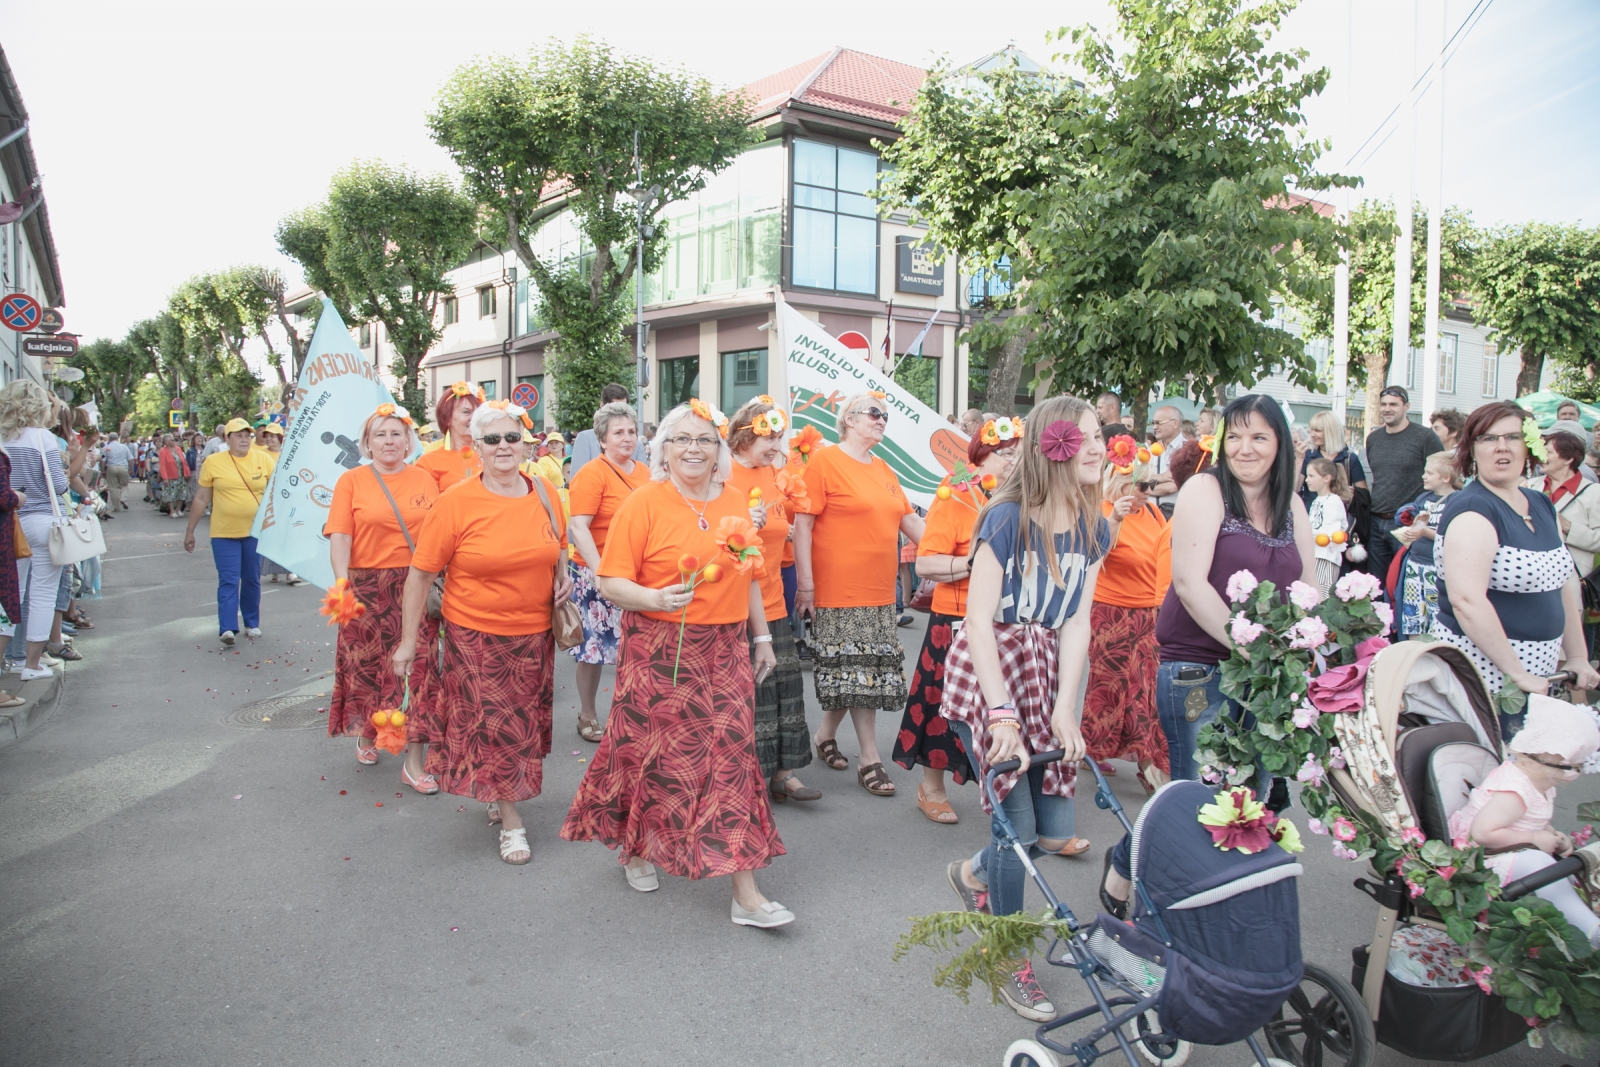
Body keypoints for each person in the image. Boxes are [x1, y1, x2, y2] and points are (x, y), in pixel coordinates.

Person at [561, 399, 791, 927]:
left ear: (719, 451)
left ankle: (746, 893)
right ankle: (639, 847)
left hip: (726, 650)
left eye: (704, 439)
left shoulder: (735, 499)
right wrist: (651, 598)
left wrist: (761, 638)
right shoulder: (643, 503)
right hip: (659, 650)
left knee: (732, 760)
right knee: (655, 756)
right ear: (663, 449)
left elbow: (748, 572)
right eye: (682, 439)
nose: (693, 448)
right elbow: (608, 580)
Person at [941, 395, 1110, 1022]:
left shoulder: (1096, 527)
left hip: (1045, 677)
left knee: (1053, 832)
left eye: (1101, 435)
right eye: (1086, 436)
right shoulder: (1006, 518)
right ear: (1054, 445)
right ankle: (1008, 954)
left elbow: (1077, 627)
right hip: (991, 677)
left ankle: (973, 874)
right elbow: (978, 622)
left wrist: (1068, 709)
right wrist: (1002, 713)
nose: (1098, 447)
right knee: (1013, 829)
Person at [394, 400, 571, 865]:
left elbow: (559, 543)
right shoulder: (455, 502)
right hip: (475, 637)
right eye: (492, 439)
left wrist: (563, 574)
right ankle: (512, 821)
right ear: (476, 446)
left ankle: (496, 789)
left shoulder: (546, 492)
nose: (504, 447)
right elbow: (419, 575)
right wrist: (409, 641)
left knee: (521, 726)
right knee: (497, 726)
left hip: (534, 636)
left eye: (512, 437)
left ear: (525, 443)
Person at [1154, 394, 1317, 782]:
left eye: (1259, 438)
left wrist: (1306, 645)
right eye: (1235, 437)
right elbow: (1189, 583)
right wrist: (1255, 650)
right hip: (1200, 669)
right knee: (1201, 796)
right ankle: (1137, 846)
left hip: (1265, 677)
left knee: (1251, 801)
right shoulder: (1204, 490)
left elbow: (1309, 583)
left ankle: (1137, 846)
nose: (1245, 449)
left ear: (1280, 444)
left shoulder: (1292, 504)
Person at [1432, 401, 1599, 734]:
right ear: (1472, 450)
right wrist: (1517, 672)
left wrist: (1577, 655)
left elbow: (1562, 581)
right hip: (1486, 674)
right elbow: (1467, 601)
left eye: (1512, 437)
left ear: (1530, 446)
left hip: (1540, 672)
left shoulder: (1539, 502)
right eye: (1488, 438)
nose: (1501, 447)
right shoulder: (1472, 509)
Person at [793, 391, 924, 797]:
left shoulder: (884, 467)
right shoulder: (824, 462)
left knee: (853, 670)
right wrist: (806, 584)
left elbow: (912, 524)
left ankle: (824, 735)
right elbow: (802, 527)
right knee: (859, 673)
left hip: (881, 592)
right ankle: (870, 757)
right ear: (849, 419)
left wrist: (967, 543)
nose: (882, 419)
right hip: (838, 590)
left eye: (885, 415)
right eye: (874, 413)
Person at [892, 417, 1022, 823]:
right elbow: (927, 561)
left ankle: (1014, 797)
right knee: (941, 706)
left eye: (1020, 453)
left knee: (1005, 709)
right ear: (981, 457)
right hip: (956, 616)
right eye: (1006, 454)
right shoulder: (957, 497)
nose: (1015, 460)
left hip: (1008, 618)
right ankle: (931, 788)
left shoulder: (1022, 500)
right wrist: (975, 563)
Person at [325, 403, 442, 790]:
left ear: (409, 441)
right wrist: (342, 585)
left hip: (414, 585)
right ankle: (365, 729)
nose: (389, 441)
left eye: (396, 433)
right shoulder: (352, 481)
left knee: (417, 669)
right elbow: (341, 535)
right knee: (367, 668)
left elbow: (439, 536)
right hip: (364, 589)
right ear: (367, 444)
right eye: (381, 434)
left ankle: (413, 763)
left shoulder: (425, 479)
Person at [725, 396, 820, 803]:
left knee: (784, 688)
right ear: (746, 435)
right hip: (735, 604)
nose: (777, 447)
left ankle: (784, 772)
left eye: (780, 438)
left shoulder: (775, 473)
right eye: (769, 437)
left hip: (773, 599)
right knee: (751, 694)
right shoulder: (721, 472)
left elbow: (790, 530)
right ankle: (749, 779)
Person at [1450, 695, 1600, 947]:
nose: (1575, 774)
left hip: (1505, 847)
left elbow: (1533, 820)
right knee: (1539, 864)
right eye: (1571, 768)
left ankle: (1579, 909)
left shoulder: (1541, 783)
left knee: (1555, 869)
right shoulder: (1514, 792)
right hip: (1478, 858)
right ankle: (1589, 930)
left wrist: (1553, 836)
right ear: (1543, 762)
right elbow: (1483, 833)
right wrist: (1534, 839)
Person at [1083, 440, 1172, 798]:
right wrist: (1115, 518)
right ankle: (1091, 748)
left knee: (1147, 693)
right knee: (1109, 690)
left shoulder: (1153, 513)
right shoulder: (1099, 509)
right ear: (1121, 483)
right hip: (1111, 613)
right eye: (1143, 486)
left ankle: (1151, 764)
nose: (1149, 492)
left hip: (1149, 613)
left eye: (1152, 486)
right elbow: (1095, 553)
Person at [564, 400, 651, 741]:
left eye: (631, 431)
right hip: (595, 574)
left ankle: (629, 714)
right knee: (594, 651)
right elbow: (578, 527)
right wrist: (601, 573)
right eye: (618, 433)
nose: (627, 438)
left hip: (635, 574)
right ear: (602, 439)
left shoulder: (645, 473)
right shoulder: (592, 473)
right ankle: (587, 714)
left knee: (634, 646)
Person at [0, 381, 78, 681]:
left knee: (10, 594)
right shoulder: (43, 438)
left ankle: (11, 658)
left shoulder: (4, 439)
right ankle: (31, 664)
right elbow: (59, 486)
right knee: (43, 594)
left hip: (11, 523)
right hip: (44, 522)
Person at [184, 418, 275, 646]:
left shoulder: (263, 459)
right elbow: (202, 497)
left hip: (254, 532)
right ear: (227, 438)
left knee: (252, 579)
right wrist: (190, 531)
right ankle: (227, 628)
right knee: (229, 580)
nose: (244, 439)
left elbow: (276, 493)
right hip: (224, 532)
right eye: (238, 435)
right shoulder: (213, 462)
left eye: (248, 435)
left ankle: (251, 623)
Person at [1364, 385, 1443, 584]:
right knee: (1376, 584)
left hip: (1408, 521)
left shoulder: (1424, 437)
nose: (1387, 409)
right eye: (1383, 404)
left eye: (1393, 404)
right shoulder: (1373, 439)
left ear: (1406, 406)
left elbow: (1441, 474)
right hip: (1377, 520)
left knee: (1404, 581)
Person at [1394, 452, 1459, 637]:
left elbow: (1452, 536)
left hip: (1436, 567)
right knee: (1412, 613)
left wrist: (1424, 531)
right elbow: (1416, 527)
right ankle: (1413, 647)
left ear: (1446, 478)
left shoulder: (1455, 501)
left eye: (1429, 473)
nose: (1424, 476)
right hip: (1415, 563)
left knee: (1436, 612)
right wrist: (1412, 527)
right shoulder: (1423, 499)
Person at [416, 382, 484, 491]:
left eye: (478, 413)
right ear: (447, 419)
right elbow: (427, 505)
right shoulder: (429, 462)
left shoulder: (491, 457)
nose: (474, 418)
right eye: (466, 412)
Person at [568, 383, 647, 478]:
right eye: (613, 407)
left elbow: (645, 482)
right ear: (602, 406)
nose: (618, 412)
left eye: (623, 407)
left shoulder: (636, 445)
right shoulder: (585, 439)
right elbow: (577, 478)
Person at [1296, 410, 1368, 510]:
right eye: (1311, 430)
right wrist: (1299, 459)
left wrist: (1351, 493)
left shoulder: (1349, 458)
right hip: (1311, 516)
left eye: (1317, 430)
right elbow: (1295, 488)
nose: (1312, 434)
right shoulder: (1308, 455)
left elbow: (1363, 494)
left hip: (1338, 516)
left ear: (1331, 431)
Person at [1305, 457, 1351, 597]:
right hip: (1313, 555)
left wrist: (1313, 537)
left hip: (1325, 556)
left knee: (1322, 596)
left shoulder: (1333, 501)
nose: (1307, 479)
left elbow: (1333, 531)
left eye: (1311, 476)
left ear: (1326, 478)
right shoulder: (1316, 501)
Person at [1145, 405, 1187, 518]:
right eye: (1153, 423)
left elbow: (1173, 486)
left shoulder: (1188, 450)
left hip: (1175, 518)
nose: (1154, 427)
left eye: (1159, 423)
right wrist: (1158, 477)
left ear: (1175, 423)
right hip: (1149, 516)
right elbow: (1135, 481)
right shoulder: (1150, 451)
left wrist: (1144, 486)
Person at [157, 433, 192, 519]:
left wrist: (186, 473)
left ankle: (178, 509)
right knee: (171, 494)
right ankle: (172, 511)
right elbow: (162, 465)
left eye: (174, 439)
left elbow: (183, 461)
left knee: (182, 493)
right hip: (170, 476)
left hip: (181, 475)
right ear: (166, 442)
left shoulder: (178, 449)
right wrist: (164, 478)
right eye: (172, 440)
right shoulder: (163, 451)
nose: (174, 441)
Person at [102, 432, 131, 513]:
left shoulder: (107, 447)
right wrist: (131, 469)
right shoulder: (124, 447)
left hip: (111, 467)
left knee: (113, 487)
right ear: (117, 438)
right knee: (124, 485)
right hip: (123, 467)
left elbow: (103, 460)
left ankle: (116, 507)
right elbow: (130, 459)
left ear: (109, 439)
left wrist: (103, 470)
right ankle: (123, 498)